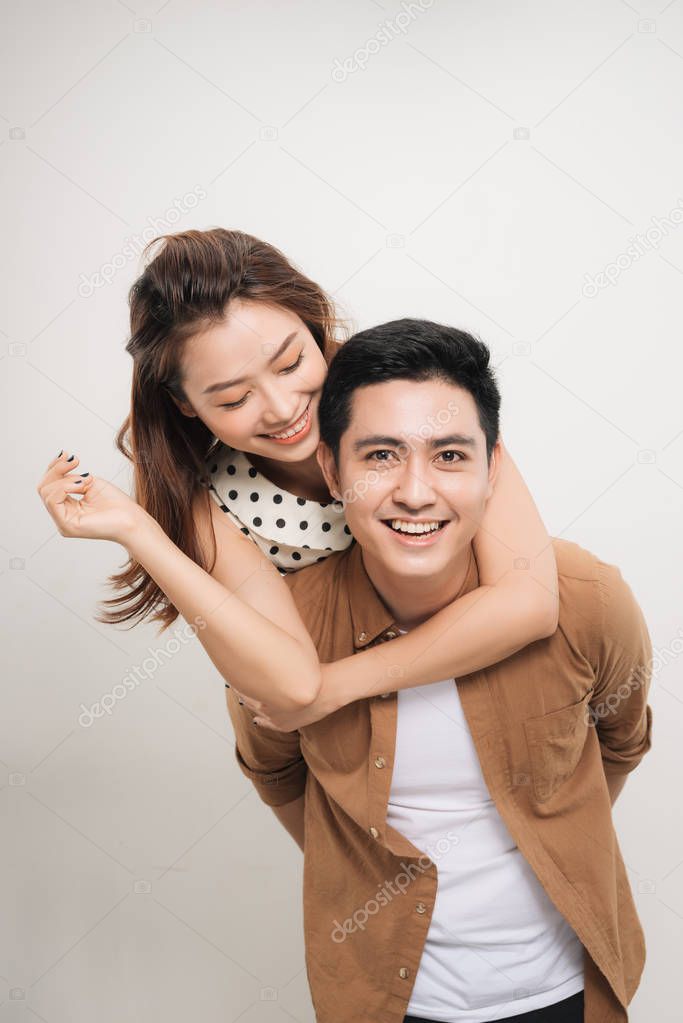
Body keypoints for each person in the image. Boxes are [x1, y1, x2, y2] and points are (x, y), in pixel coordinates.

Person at [227, 320, 653, 1023]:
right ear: (331, 470)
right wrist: (358, 873)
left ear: (492, 468)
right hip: (382, 999)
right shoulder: (282, 632)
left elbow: (620, 737)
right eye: (381, 455)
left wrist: (549, 829)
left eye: (449, 454)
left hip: (568, 994)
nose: (416, 492)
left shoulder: (585, 597)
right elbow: (275, 771)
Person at [37, 228, 560, 722]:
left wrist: (338, 686)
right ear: (186, 404)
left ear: (314, 326)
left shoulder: (406, 388)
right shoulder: (218, 506)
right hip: (334, 743)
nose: (283, 408)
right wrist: (142, 532)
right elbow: (290, 689)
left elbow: (529, 603)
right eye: (235, 398)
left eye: (290, 365)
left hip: (482, 682)